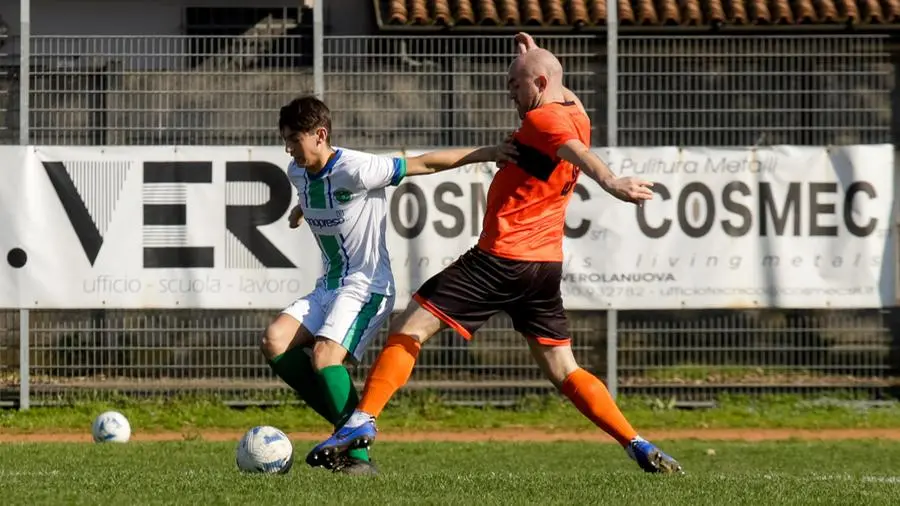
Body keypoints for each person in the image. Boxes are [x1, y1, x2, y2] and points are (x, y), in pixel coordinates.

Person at [307, 34, 684, 475]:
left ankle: (361, 421)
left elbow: (576, 152)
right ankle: (635, 442)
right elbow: (564, 107)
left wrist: (611, 181)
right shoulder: (574, 111)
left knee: (409, 328)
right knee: (564, 368)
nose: (508, 91)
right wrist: (531, 58)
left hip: (499, 258)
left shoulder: (546, 121)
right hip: (543, 267)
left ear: (539, 84)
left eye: (514, 84)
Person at [262, 96, 516, 475]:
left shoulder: (359, 168)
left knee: (324, 358)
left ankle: (358, 460)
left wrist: (491, 152)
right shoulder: (296, 172)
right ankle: (347, 429)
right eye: (285, 140)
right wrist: (302, 209)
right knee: (274, 340)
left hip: (367, 286)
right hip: (329, 285)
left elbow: (427, 163)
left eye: (294, 139)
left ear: (320, 135)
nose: (288, 148)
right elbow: (312, 192)